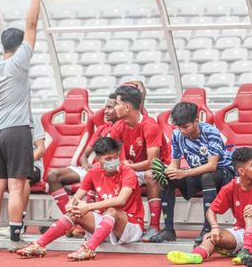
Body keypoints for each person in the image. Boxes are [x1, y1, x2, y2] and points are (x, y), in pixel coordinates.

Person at [0, 0, 45, 252]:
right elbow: (31, 23)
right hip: (17, 130)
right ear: (20, 46)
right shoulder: (20, 62)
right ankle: (16, 236)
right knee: (17, 186)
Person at [16, 137, 145, 261]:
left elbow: (121, 200)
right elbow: (78, 196)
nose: (113, 161)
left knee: (111, 210)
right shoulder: (94, 172)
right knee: (75, 212)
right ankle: (39, 245)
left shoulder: (128, 173)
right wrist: (72, 205)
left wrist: (87, 207)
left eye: (116, 157)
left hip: (131, 225)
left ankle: (89, 248)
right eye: (108, 158)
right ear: (98, 159)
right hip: (106, 224)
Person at [165, 147, 252, 265]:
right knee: (211, 236)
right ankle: (196, 255)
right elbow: (211, 210)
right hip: (243, 231)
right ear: (241, 171)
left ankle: (246, 251)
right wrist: (215, 227)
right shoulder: (230, 187)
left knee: (251, 212)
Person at [150, 101, 235, 245]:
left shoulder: (211, 132)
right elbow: (175, 163)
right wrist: (169, 170)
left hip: (222, 173)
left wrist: (184, 173)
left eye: (186, 127)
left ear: (197, 120)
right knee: (167, 178)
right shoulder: (177, 135)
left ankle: (207, 228)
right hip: (195, 174)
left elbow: (212, 166)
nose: (182, 131)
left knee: (207, 176)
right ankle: (169, 230)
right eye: (179, 127)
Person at [108, 85, 170, 242]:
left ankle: (154, 226)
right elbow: (113, 155)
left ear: (127, 107)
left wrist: (128, 166)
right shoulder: (118, 126)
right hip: (131, 169)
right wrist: (122, 165)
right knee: (105, 173)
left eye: (117, 104)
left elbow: (153, 162)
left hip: (157, 169)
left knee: (151, 175)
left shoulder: (150, 126)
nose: (115, 108)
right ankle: (109, 223)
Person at [46, 93, 118, 217]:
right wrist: (85, 163)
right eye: (105, 107)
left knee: (96, 178)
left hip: (110, 171)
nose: (105, 111)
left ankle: (83, 220)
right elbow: (83, 155)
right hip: (93, 170)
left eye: (110, 108)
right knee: (53, 176)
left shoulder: (126, 129)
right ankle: (71, 219)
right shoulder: (102, 129)